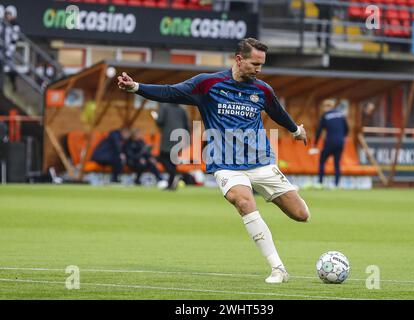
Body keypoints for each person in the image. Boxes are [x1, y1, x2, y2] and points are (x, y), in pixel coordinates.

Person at [118, 38, 310, 284]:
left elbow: (277, 113)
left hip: (261, 162)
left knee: (301, 214)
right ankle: (278, 268)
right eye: (254, 64)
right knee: (243, 201)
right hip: (225, 163)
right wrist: (136, 87)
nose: (259, 69)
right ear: (239, 60)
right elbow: (170, 92)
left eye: (262, 65)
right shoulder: (207, 84)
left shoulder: (262, 90)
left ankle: (286, 201)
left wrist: (295, 131)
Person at [151, 103, 190, 190]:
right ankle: (171, 184)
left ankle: (174, 175)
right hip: (179, 137)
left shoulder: (164, 107)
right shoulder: (182, 109)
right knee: (172, 161)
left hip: (168, 137)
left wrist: (155, 117)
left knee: (162, 157)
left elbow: (160, 121)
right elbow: (187, 126)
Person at [313, 98, 349, 187]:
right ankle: (336, 184)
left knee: (322, 160)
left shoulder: (325, 115)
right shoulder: (341, 115)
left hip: (330, 142)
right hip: (340, 142)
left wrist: (315, 144)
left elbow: (319, 130)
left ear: (326, 106)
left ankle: (320, 183)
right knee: (337, 163)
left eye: (324, 106)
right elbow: (347, 128)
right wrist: (343, 137)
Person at [0, 6, 20, 92]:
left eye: (9, 14)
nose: (8, 16)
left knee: (11, 68)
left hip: (8, 50)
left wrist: (9, 51)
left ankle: (13, 84)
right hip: (1, 49)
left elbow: (14, 40)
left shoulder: (15, 26)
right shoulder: (3, 24)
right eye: (6, 14)